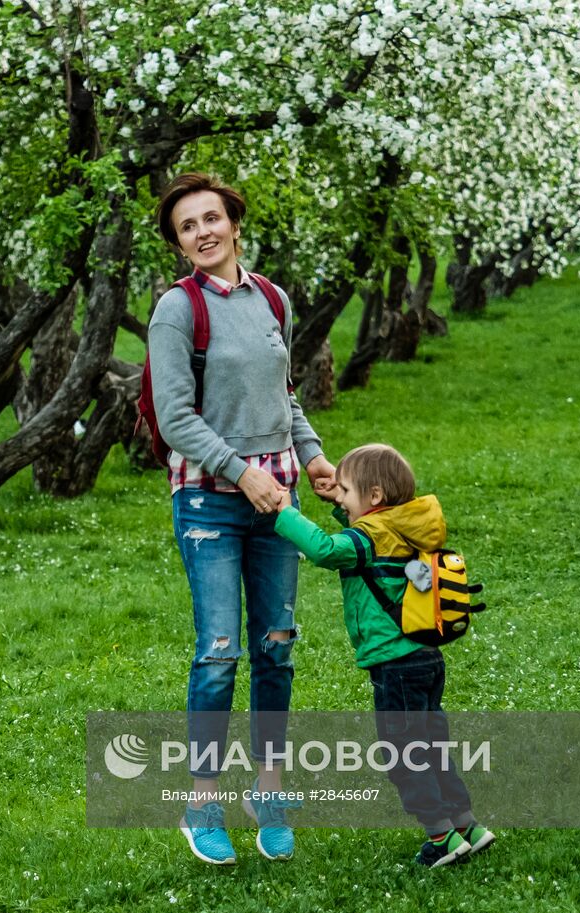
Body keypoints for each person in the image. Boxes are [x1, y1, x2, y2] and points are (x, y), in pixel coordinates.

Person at [148, 172, 335, 865]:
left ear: (233, 223)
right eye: (187, 227)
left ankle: (269, 790)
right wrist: (240, 470)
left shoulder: (272, 299)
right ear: (179, 243)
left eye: (210, 218)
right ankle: (201, 803)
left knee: (277, 645)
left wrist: (311, 457)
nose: (202, 232)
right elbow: (174, 418)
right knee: (220, 648)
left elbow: (282, 396)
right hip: (209, 503)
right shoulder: (177, 310)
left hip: (278, 499)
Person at [272, 443, 496, 867]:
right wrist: (340, 505)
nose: (340, 496)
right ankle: (468, 825)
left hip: (395, 665)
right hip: (427, 659)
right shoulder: (404, 529)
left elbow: (325, 549)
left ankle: (441, 836)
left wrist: (286, 513)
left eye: (346, 491)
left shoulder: (369, 537)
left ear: (374, 497)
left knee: (404, 756)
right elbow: (364, 543)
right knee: (431, 748)